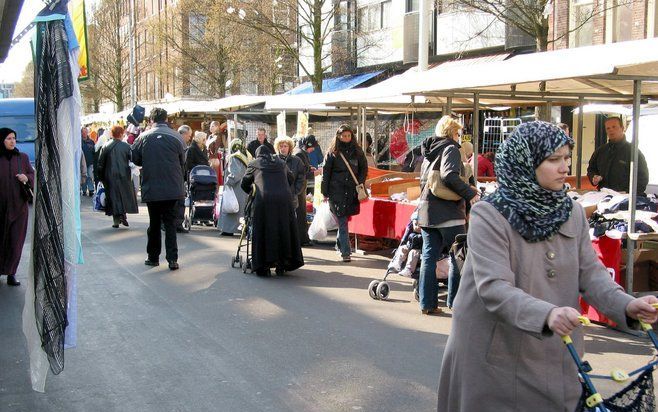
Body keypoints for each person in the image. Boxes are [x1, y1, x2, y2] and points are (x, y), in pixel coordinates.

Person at [436, 121, 658, 411]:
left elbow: (591, 275)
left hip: (556, 352)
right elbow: (493, 288)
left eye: (567, 158)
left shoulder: (572, 212)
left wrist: (626, 305)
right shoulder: (489, 214)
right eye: (554, 160)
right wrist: (547, 314)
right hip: (494, 357)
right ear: (526, 162)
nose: (565, 167)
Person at [417, 116, 478, 315]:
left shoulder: (428, 153)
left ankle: (427, 303)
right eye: (457, 133)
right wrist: (470, 193)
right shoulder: (451, 149)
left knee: (428, 257)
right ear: (452, 132)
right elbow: (449, 175)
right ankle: (456, 303)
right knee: (457, 257)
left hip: (427, 211)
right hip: (449, 211)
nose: (459, 137)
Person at [131, 108, 186, 271]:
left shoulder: (143, 137)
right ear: (166, 118)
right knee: (170, 224)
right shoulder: (177, 136)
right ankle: (172, 259)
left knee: (154, 223)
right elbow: (183, 160)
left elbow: (135, 158)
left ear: (151, 120)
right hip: (173, 188)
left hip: (152, 186)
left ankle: (153, 257)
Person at [240, 145, 304, 276]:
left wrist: (253, 191)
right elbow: (291, 179)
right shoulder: (281, 163)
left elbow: (244, 183)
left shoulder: (254, 163)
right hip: (284, 200)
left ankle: (264, 266)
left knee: (265, 229)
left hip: (264, 200)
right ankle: (283, 262)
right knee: (283, 229)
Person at [321, 124, 368, 263]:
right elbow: (326, 173)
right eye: (344, 136)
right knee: (342, 220)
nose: (346, 138)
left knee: (345, 219)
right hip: (336, 191)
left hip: (352, 190)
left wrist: (359, 182)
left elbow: (363, 169)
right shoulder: (332, 152)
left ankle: (339, 244)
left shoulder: (358, 152)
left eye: (348, 135)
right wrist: (324, 192)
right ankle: (346, 252)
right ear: (339, 136)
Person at [0, 128, 34, 286]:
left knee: (16, 241)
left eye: (14, 138)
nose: (12, 141)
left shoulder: (22, 158)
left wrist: (26, 177)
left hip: (19, 207)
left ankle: (11, 273)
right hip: (1, 208)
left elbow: (33, 176)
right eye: (8, 138)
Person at [587, 116, 649, 194]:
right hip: (604, 196)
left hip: (626, 198)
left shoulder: (633, 152)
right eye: (608, 128)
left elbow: (642, 178)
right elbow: (591, 169)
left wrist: (628, 192)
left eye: (614, 127)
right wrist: (593, 177)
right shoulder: (600, 151)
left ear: (622, 128)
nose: (611, 130)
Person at [97, 125, 139, 228]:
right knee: (123, 196)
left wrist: (100, 177)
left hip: (109, 175)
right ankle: (123, 215)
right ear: (121, 134)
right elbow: (132, 159)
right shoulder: (126, 146)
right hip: (124, 174)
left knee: (113, 198)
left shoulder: (106, 146)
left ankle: (116, 220)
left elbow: (100, 163)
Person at [217, 139, 250, 236]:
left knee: (231, 209)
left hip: (235, 188)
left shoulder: (235, 157)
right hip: (242, 188)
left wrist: (228, 182)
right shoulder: (245, 156)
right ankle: (241, 229)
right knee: (239, 210)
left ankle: (228, 229)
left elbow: (236, 173)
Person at [293, 136, 320, 246]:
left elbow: (303, 168)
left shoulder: (300, 152)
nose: (313, 149)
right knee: (300, 214)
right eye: (312, 147)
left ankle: (303, 238)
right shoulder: (299, 153)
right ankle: (302, 239)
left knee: (301, 213)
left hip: (299, 187)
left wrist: (310, 168)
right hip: (299, 188)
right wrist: (314, 173)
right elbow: (300, 173)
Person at [274, 136, 305, 209]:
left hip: (291, 198)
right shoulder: (273, 159)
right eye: (281, 146)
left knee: (291, 219)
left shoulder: (297, 160)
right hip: (275, 197)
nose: (283, 148)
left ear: (290, 147)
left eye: (285, 146)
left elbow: (301, 177)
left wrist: (295, 191)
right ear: (277, 147)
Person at [174, 125, 193, 233]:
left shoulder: (178, 141)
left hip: (178, 174)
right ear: (184, 134)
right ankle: (177, 223)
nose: (189, 138)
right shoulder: (179, 143)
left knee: (178, 200)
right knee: (178, 200)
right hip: (177, 175)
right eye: (189, 136)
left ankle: (177, 223)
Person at [80, 126, 95, 196]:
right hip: (82, 162)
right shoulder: (78, 142)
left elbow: (94, 152)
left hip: (90, 162)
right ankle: (84, 190)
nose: (84, 133)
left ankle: (91, 190)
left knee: (90, 176)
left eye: (85, 132)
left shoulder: (91, 142)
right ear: (81, 133)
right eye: (83, 132)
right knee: (84, 176)